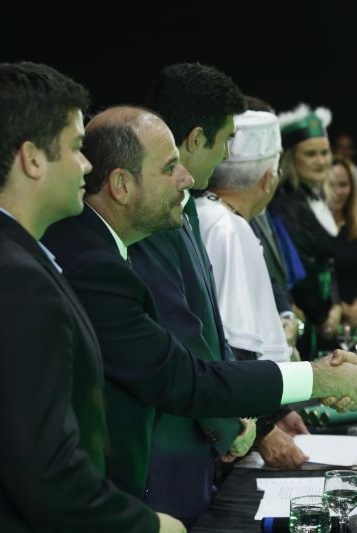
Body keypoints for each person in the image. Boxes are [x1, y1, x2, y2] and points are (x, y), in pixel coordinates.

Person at [41, 105, 357, 501]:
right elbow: (183, 377)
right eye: (169, 167)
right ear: (121, 185)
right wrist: (315, 378)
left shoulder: (104, 247)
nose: (187, 178)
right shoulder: (93, 263)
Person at [0, 62, 184, 532]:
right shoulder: (13, 280)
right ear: (31, 159)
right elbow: (44, 472)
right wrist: (147, 526)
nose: (87, 165)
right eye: (75, 148)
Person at [127, 63, 255, 523]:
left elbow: (208, 323)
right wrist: (228, 423)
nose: (226, 155)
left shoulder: (190, 206)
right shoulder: (148, 212)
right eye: (224, 141)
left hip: (196, 435)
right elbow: (179, 330)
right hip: (167, 443)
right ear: (197, 138)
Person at [198, 110, 311, 469]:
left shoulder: (205, 214)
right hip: (225, 436)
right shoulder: (228, 229)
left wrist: (277, 413)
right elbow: (233, 350)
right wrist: (264, 430)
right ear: (268, 179)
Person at [271, 104, 342, 358]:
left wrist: (336, 305)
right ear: (291, 158)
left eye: (325, 152)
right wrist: (324, 317)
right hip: (303, 320)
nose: (321, 161)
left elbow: (328, 264)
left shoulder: (317, 197)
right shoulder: (284, 205)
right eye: (311, 154)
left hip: (325, 314)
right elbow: (301, 272)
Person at [327, 156, 357, 328]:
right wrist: (340, 307)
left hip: (356, 316)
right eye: (331, 185)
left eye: (343, 185)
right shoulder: (312, 225)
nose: (337, 191)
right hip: (324, 316)